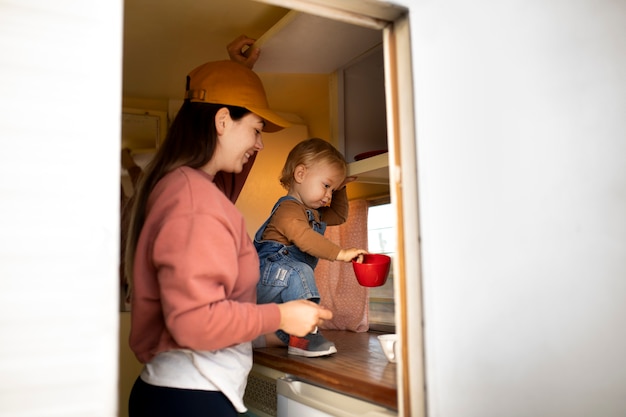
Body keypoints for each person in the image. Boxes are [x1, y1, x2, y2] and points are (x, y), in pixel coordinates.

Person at [125, 46, 333, 417]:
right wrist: (281, 317)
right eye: (255, 128)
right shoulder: (193, 199)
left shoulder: (185, 186)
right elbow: (193, 321)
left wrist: (237, 74)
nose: (260, 143)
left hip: (183, 393)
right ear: (222, 121)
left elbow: (226, 175)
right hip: (191, 399)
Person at [254, 138, 368, 357]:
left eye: (332, 190)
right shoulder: (288, 209)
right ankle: (305, 337)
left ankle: (272, 338)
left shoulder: (313, 212)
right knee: (301, 270)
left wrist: (341, 188)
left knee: (284, 325)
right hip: (264, 279)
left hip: (281, 283)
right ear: (300, 174)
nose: (328, 196)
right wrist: (340, 253)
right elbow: (304, 238)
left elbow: (339, 215)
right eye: (326, 186)